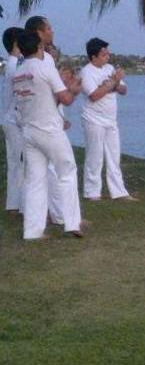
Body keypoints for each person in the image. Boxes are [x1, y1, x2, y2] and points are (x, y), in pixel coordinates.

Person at [13, 30, 84, 240]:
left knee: (36, 180)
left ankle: (33, 231)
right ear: (39, 47)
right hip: (50, 129)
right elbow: (66, 99)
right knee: (67, 172)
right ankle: (71, 222)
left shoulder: (19, 72)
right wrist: (74, 90)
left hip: (29, 130)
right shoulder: (45, 68)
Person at [80, 38, 137, 202]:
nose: (107, 57)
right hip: (93, 119)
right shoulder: (86, 72)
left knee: (114, 156)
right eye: (104, 54)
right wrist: (112, 82)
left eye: (108, 53)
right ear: (93, 57)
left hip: (111, 120)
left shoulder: (110, 68)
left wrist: (117, 81)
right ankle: (92, 192)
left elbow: (123, 89)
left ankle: (119, 191)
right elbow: (94, 95)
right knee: (95, 156)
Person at [2, 27, 25, 214]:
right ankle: (21, 204)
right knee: (21, 161)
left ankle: (13, 203)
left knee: (15, 163)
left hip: (9, 119)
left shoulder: (13, 63)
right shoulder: (13, 64)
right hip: (14, 120)